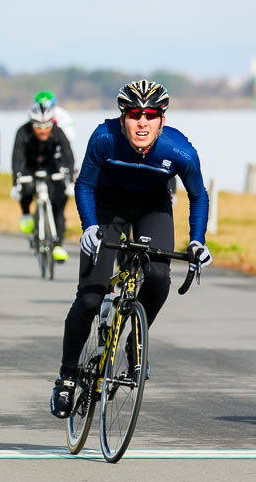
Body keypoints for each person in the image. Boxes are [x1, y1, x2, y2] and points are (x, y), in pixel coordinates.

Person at [50, 80, 212, 419]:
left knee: (157, 277)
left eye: (151, 115)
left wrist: (197, 240)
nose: (142, 122)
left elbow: (198, 195)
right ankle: (66, 376)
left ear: (162, 121)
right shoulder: (104, 138)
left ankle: (135, 339)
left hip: (152, 207)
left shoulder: (179, 150)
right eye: (135, 115)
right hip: (107, 205)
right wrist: (90, 226)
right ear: (122, 117)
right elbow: (85, 184)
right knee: (91, 297)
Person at [11, 97, 75, 262]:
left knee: (59, 202)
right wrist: (16, 183)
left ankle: (58, 245)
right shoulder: (22, 132)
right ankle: (26, 213)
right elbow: (16, 159)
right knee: (26, 187)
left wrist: (68, 179)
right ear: (31, 124)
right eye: (38, 126)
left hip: (51, 166)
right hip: (29, 166)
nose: (43, 130)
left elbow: (68, 155)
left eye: (47, 125)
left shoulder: (57, 131)